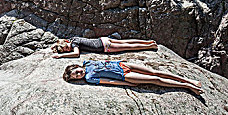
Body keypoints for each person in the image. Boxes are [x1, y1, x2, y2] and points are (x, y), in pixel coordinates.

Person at [63, 60, 203, 95]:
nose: (78, 74)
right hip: (125, 76)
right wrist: (127, 84)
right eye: (76, 77)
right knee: (156, 80)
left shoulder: (87, 62)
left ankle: (188, 80)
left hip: (122, 64)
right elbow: (109, 81)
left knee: (154, 72)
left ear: (75, 67)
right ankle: (188, 86)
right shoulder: (89, 78)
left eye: (76, 72)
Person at [52, 37, 157, 58]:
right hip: (102, 39)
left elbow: (76, 54)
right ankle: (148, 42)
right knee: (126, 41)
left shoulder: (74, 44)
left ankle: (150, 46)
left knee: (128, 47)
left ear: (67, 43)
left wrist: (62, 56)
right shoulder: (74, 38)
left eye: (66, 48)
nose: (68, 49)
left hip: (104, 46)